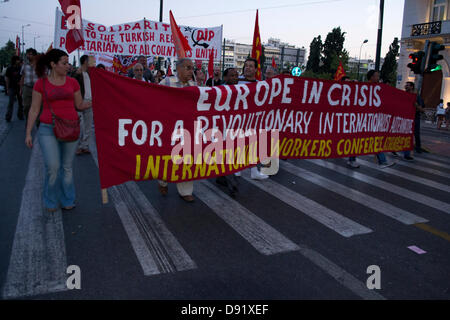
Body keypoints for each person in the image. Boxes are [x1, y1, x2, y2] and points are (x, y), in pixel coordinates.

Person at [25, 49, 92, 212]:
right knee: (53, 166)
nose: (68, 66)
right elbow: (34, 109)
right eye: (64, 63)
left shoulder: (73, 83)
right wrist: (28, 133)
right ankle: (50, 200)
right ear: (53, 65)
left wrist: (97, 101)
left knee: (67, 167)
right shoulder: (40, 83)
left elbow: (80, 105)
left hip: (71, 128)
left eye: (68, 62)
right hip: (48, 129)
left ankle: (68, 199)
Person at [158, 58, 196, 203]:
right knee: (167, 157)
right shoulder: (166, 83)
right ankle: (162, 181)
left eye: (192, 68)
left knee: (187, 158)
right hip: (168, 127)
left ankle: (186, 191)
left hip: (187, 129)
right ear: (178, 69)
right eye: (188, 68)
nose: (191, 71)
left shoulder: (194, 85)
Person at [239, 58, 269, 180]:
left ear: (256, 69)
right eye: (246, 65)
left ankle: (253, 171)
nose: (248, 68)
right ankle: (237, 171)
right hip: (237, 119)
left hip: (252, 120)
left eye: (251, 66)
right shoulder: (236, 81)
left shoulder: (259, 84)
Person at [215, 67, 240, 197]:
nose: (235, 78)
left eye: (236, 75)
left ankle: (221, 178)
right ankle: (232, 184)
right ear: (225, 78)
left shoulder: (241, 91)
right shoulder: (220, 91)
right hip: (221, 129)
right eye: (231, 75)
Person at [367, 70, 395, 168]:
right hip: (364, 119)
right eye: (376, 76)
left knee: (375, 140)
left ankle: (382, 161)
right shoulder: (365, 88)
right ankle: (352, 159)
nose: (378, 78)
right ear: (371, 77)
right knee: (357, 139)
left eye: (379, 76)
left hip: (373, 120)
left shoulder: (379, 88)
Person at [74, 55, 94, 155]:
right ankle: (78, 146)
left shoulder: (90, 73)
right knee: (80, 126)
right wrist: (77, 73)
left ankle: (84, 146)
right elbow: (73, 84)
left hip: (90, 102)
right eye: (89, 60)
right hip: (80, 102)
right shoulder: (78, 73)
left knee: (88, 126)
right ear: (85, 61)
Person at [404, 82, 426, 153]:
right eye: (406, 85)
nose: (406, 87)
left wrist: (416, 105)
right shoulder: (403, 95)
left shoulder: (417, 97)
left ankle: (418, 148)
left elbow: (422, 109)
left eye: (408, 86)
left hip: (415, 117)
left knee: (416, 133)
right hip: (405, 117)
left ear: (412, 87)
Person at [20, 48, 39, 126]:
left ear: (34, 56)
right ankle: (28, 120)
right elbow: (22, 77)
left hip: (37, 89)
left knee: (38, 107)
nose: (28, 56)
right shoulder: (24, 65)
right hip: (26, 87)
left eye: (30, 54)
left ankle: (38, 123)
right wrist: (21, 89)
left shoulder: (39, 65)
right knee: (26, 106)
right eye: (27, 54)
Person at [5, 55, 24, 122]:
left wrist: (21, 83)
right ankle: (8, 116)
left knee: (20, 102)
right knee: (11, 103)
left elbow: (23, 77)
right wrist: (7, 88)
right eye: (18, 60)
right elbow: (7, 79)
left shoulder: (21, 68)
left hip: (19, 88)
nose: (19, 61)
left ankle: (20, 115)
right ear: (15, 60)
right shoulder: (9, 68)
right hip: (11, 87)